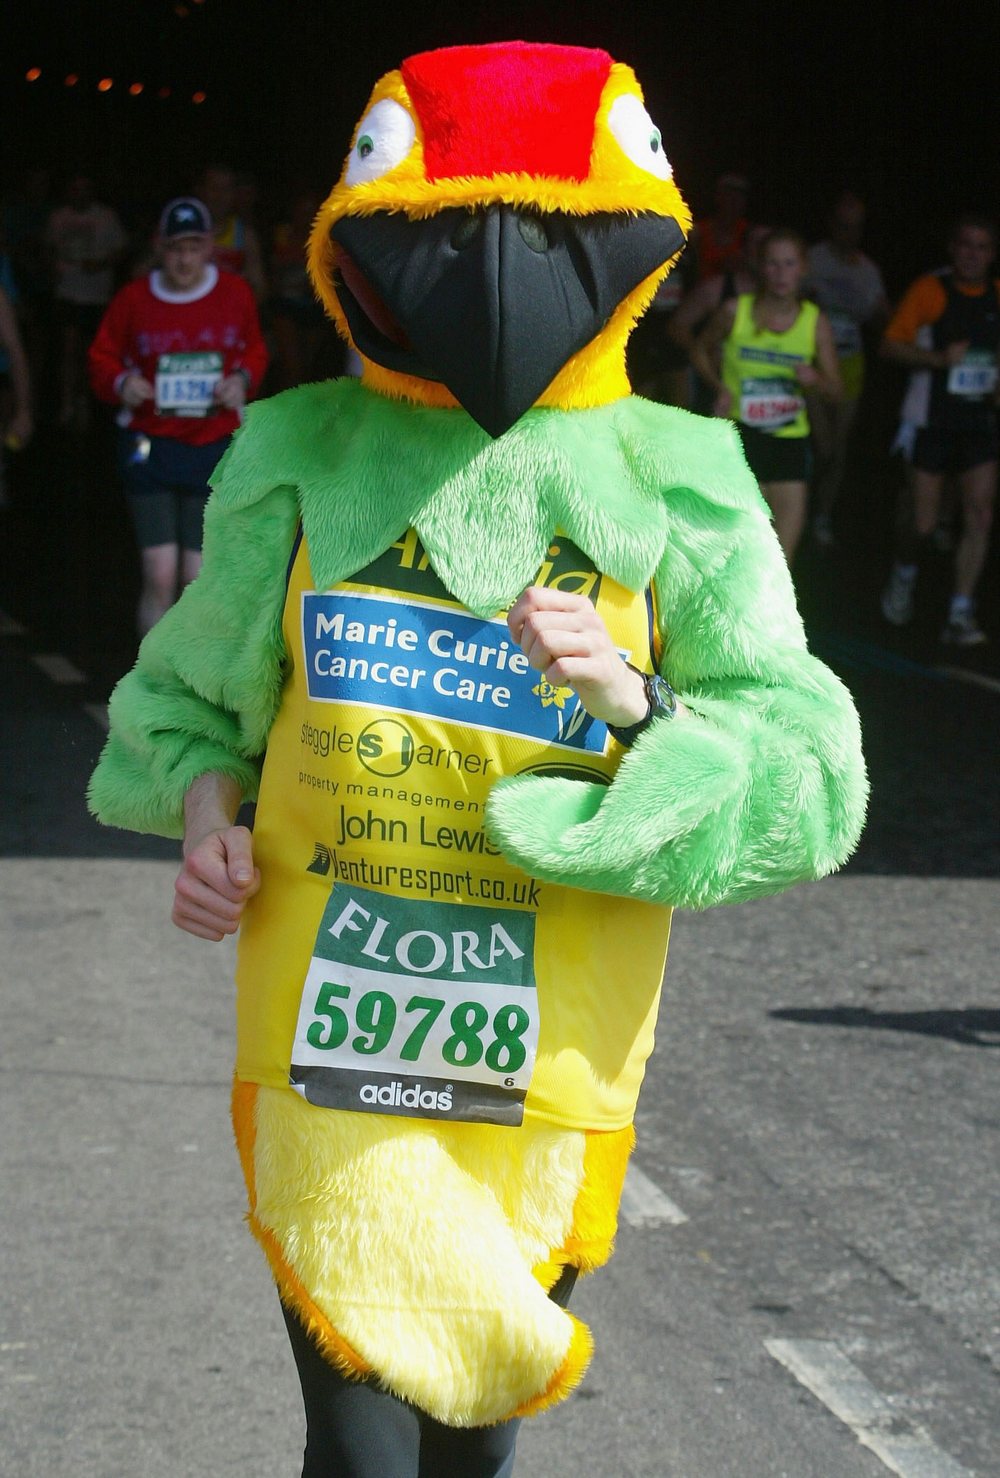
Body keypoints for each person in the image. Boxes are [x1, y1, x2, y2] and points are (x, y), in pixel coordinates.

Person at [88, 42, 866, 1477]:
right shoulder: (296, 450)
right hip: (331, 1034)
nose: (500, 282)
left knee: (473, 1450)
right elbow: (186, 703)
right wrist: (206, 816)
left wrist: (637, 699)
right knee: (362, 1452)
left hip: (549, 1055)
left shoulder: (682, 473)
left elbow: (808, 779)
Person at [88, 197, 268, 634]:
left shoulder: (235, 294)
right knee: (159, 572)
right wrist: (122, 383)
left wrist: (241, 380)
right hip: (150, 443)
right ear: (159, 248)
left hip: (213, 445)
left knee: (195, 576)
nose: (184, 260)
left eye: (193, 247)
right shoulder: (134, 299)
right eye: (175, 249)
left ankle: (188, 672)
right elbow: (100, 358)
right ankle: (151, 673)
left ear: (209, 247)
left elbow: (256, 350)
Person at [880, 215, 1000, 645]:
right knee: (924, 524)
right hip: (930, 419)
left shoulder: (997, 294)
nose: (972, 254)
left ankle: (960, 612)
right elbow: (889, 345)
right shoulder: (931, 290)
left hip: (977, 422)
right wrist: (938, 360)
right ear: (952, 248)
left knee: (980, 515)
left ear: (992, 254)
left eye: (982, 247)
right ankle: (903, 572)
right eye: (965, 245)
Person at [691, 228, 843, 562]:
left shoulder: (814, 322)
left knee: (781, 561)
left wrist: (815, 379)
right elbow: (699, 350)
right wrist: (718, 387)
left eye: (789, 264)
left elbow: (836, 391)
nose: (780, 273)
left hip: (789, 443)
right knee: (740, 555)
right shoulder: (735, 311)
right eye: (773, 264)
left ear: (803, 268)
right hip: (741, 439)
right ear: (761, 268)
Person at [805, 193, 888, 546]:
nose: (848, 234)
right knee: (819, 443)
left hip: (850, 362)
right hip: (812, 361)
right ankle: (797, 506)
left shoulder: (868, 271)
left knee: (837, 448)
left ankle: (822, 515)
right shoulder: (813, 259)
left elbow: (884, 319)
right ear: (831, 225)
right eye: (842, 226)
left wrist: (880, 313)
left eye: (855, 228)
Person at [46, 173, 127, 429]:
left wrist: (101, 264)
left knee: (92, 354)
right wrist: (52, 268)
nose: (80, 194)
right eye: (75, 189)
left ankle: (86, 402)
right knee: (69, 351)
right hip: (67, 293)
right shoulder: (58, 217)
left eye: (85, 189)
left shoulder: (106, 217)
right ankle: (67, 403)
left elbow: (121, 250)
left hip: (96, 296)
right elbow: (48, 249)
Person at [195, 165, 267, 301]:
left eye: (225, 190)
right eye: (214, 188)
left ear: (234, 194)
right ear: (201, 191)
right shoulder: (184, 233)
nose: (219, 196)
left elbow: (259, 289)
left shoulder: (245, 235)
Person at [691, 172, 749, 282]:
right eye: (728, 194)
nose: (733, 200)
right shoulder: (698, 232)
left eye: (738, 196)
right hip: (702, 289)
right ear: (717, 197)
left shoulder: (750, 234)